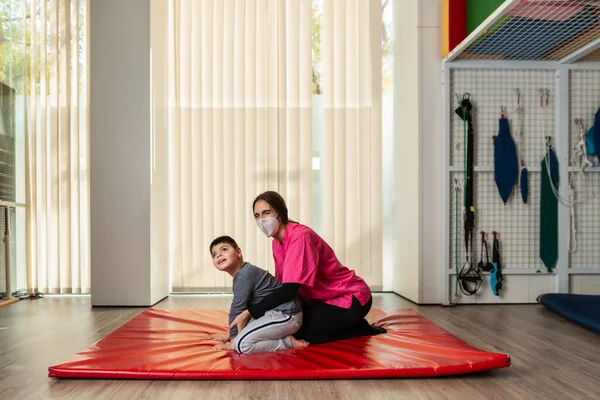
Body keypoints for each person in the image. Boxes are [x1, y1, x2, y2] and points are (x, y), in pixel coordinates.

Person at [229, 191, 386, 345]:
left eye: (266, 213)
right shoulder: (276, 243)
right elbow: (282, 285)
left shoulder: (300, 237)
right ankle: (345, 323)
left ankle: (359, 328)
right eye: (257, 216)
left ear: (280, 213)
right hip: (320, 301)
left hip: (350, 297)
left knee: (305, 334)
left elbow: (289, 289)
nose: (261, 220)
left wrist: (249, 313)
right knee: (289, 326)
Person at [209, 235, 308, 354]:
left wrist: (233, 341)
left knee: (241, 345)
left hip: (287, 315)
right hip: (272, 314)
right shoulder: (242, 274)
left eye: (224, 249)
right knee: (245, 328)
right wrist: (229, 334)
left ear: (239, 252)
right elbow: (243, 311)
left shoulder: (245, 274)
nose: (218, 255)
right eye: (214, 254)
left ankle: (287, 342)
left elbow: (237, 308)